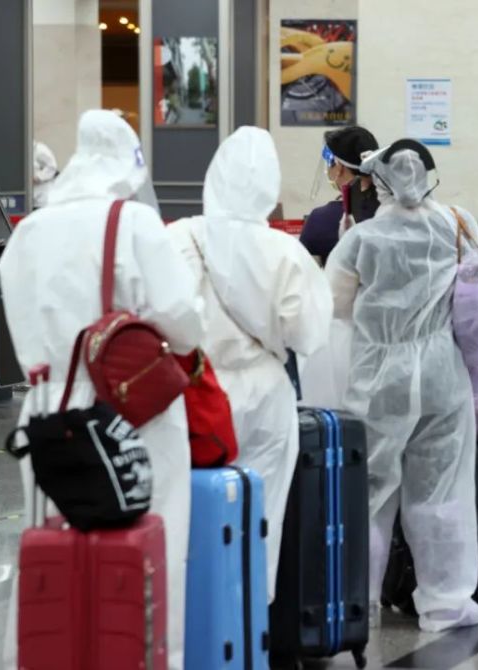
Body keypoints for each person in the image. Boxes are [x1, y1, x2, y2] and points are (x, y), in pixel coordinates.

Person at [0, 110, 203, 669]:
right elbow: (184, 322)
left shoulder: (29, 231)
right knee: (147, 547)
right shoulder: (133, 223)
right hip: (128, 410)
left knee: (52, 546)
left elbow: (19, 323)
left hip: (47, 409)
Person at [326, 139, 478, 632]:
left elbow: (335, 304)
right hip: (443, 373)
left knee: (368, 494)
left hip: (378, 377)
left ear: (378, 182)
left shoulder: (361, 239)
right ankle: (446, 604)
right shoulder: (455, 225)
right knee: (441, 493)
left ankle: (358, 605)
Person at [167, 126, 334, 598]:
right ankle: (247, 618)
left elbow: (157, 313)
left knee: (188, 510)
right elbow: (308, 333)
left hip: (194, 390)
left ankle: (194, 616)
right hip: (265, 392)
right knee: (261, 519)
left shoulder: (179, 237)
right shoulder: (284, 251)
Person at [301, 126, 381, 264]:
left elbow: (306, 270)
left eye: (329, 163)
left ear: (339, 167)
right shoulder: (391, 210)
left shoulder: (321, 219)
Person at [32, 141, 58, 209]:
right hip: (30, 198)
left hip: (43, 197)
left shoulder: (40, 149)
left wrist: (37, 177)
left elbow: (52, 166)